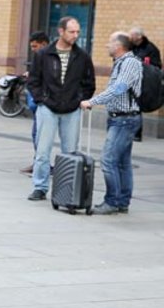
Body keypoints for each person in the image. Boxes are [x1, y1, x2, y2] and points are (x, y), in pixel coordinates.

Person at [26, 16, 95, 201]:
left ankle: (67, 190)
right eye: (71, 32)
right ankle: (40, 187)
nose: (75, 35)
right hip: (48, 107)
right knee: (42, 151)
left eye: (78, 32)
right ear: (61, 31)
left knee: (70, 152)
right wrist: (42, 99)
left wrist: (79, 100)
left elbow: (89, 83)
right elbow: (33, 81)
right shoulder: (43, 54)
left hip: (71, 109)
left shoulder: (82, 56)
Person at [81, 32, 143, 214]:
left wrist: (92, 101)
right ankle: (122, 201)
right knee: (122, 162)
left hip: (125, 119)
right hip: (120, 118)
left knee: (108, 160)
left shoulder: (130, 63)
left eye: (110, 42)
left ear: (119, 46)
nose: (106, 45)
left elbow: (119, 88)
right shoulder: (120, 62)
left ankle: (112, 202)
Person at [20, 30, 50, 174]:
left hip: (45, 104)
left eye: (34, 46)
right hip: (38, 103)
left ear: (43, 44)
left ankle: (42, 165)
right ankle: (39, 163)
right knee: (36, 134)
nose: (32, 49)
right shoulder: (40, 58)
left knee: (40, 135)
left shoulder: (50, 58)